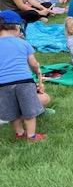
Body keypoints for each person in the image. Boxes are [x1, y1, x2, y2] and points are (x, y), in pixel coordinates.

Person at [0, 10, 49, 142]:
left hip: (2, 84)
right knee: (29, 111)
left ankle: (20, 133)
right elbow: (33, 64)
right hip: (24, 82)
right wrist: (37, 72)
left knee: (12, 111)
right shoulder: (23, 43)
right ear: (17, 26)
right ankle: (32, 136)